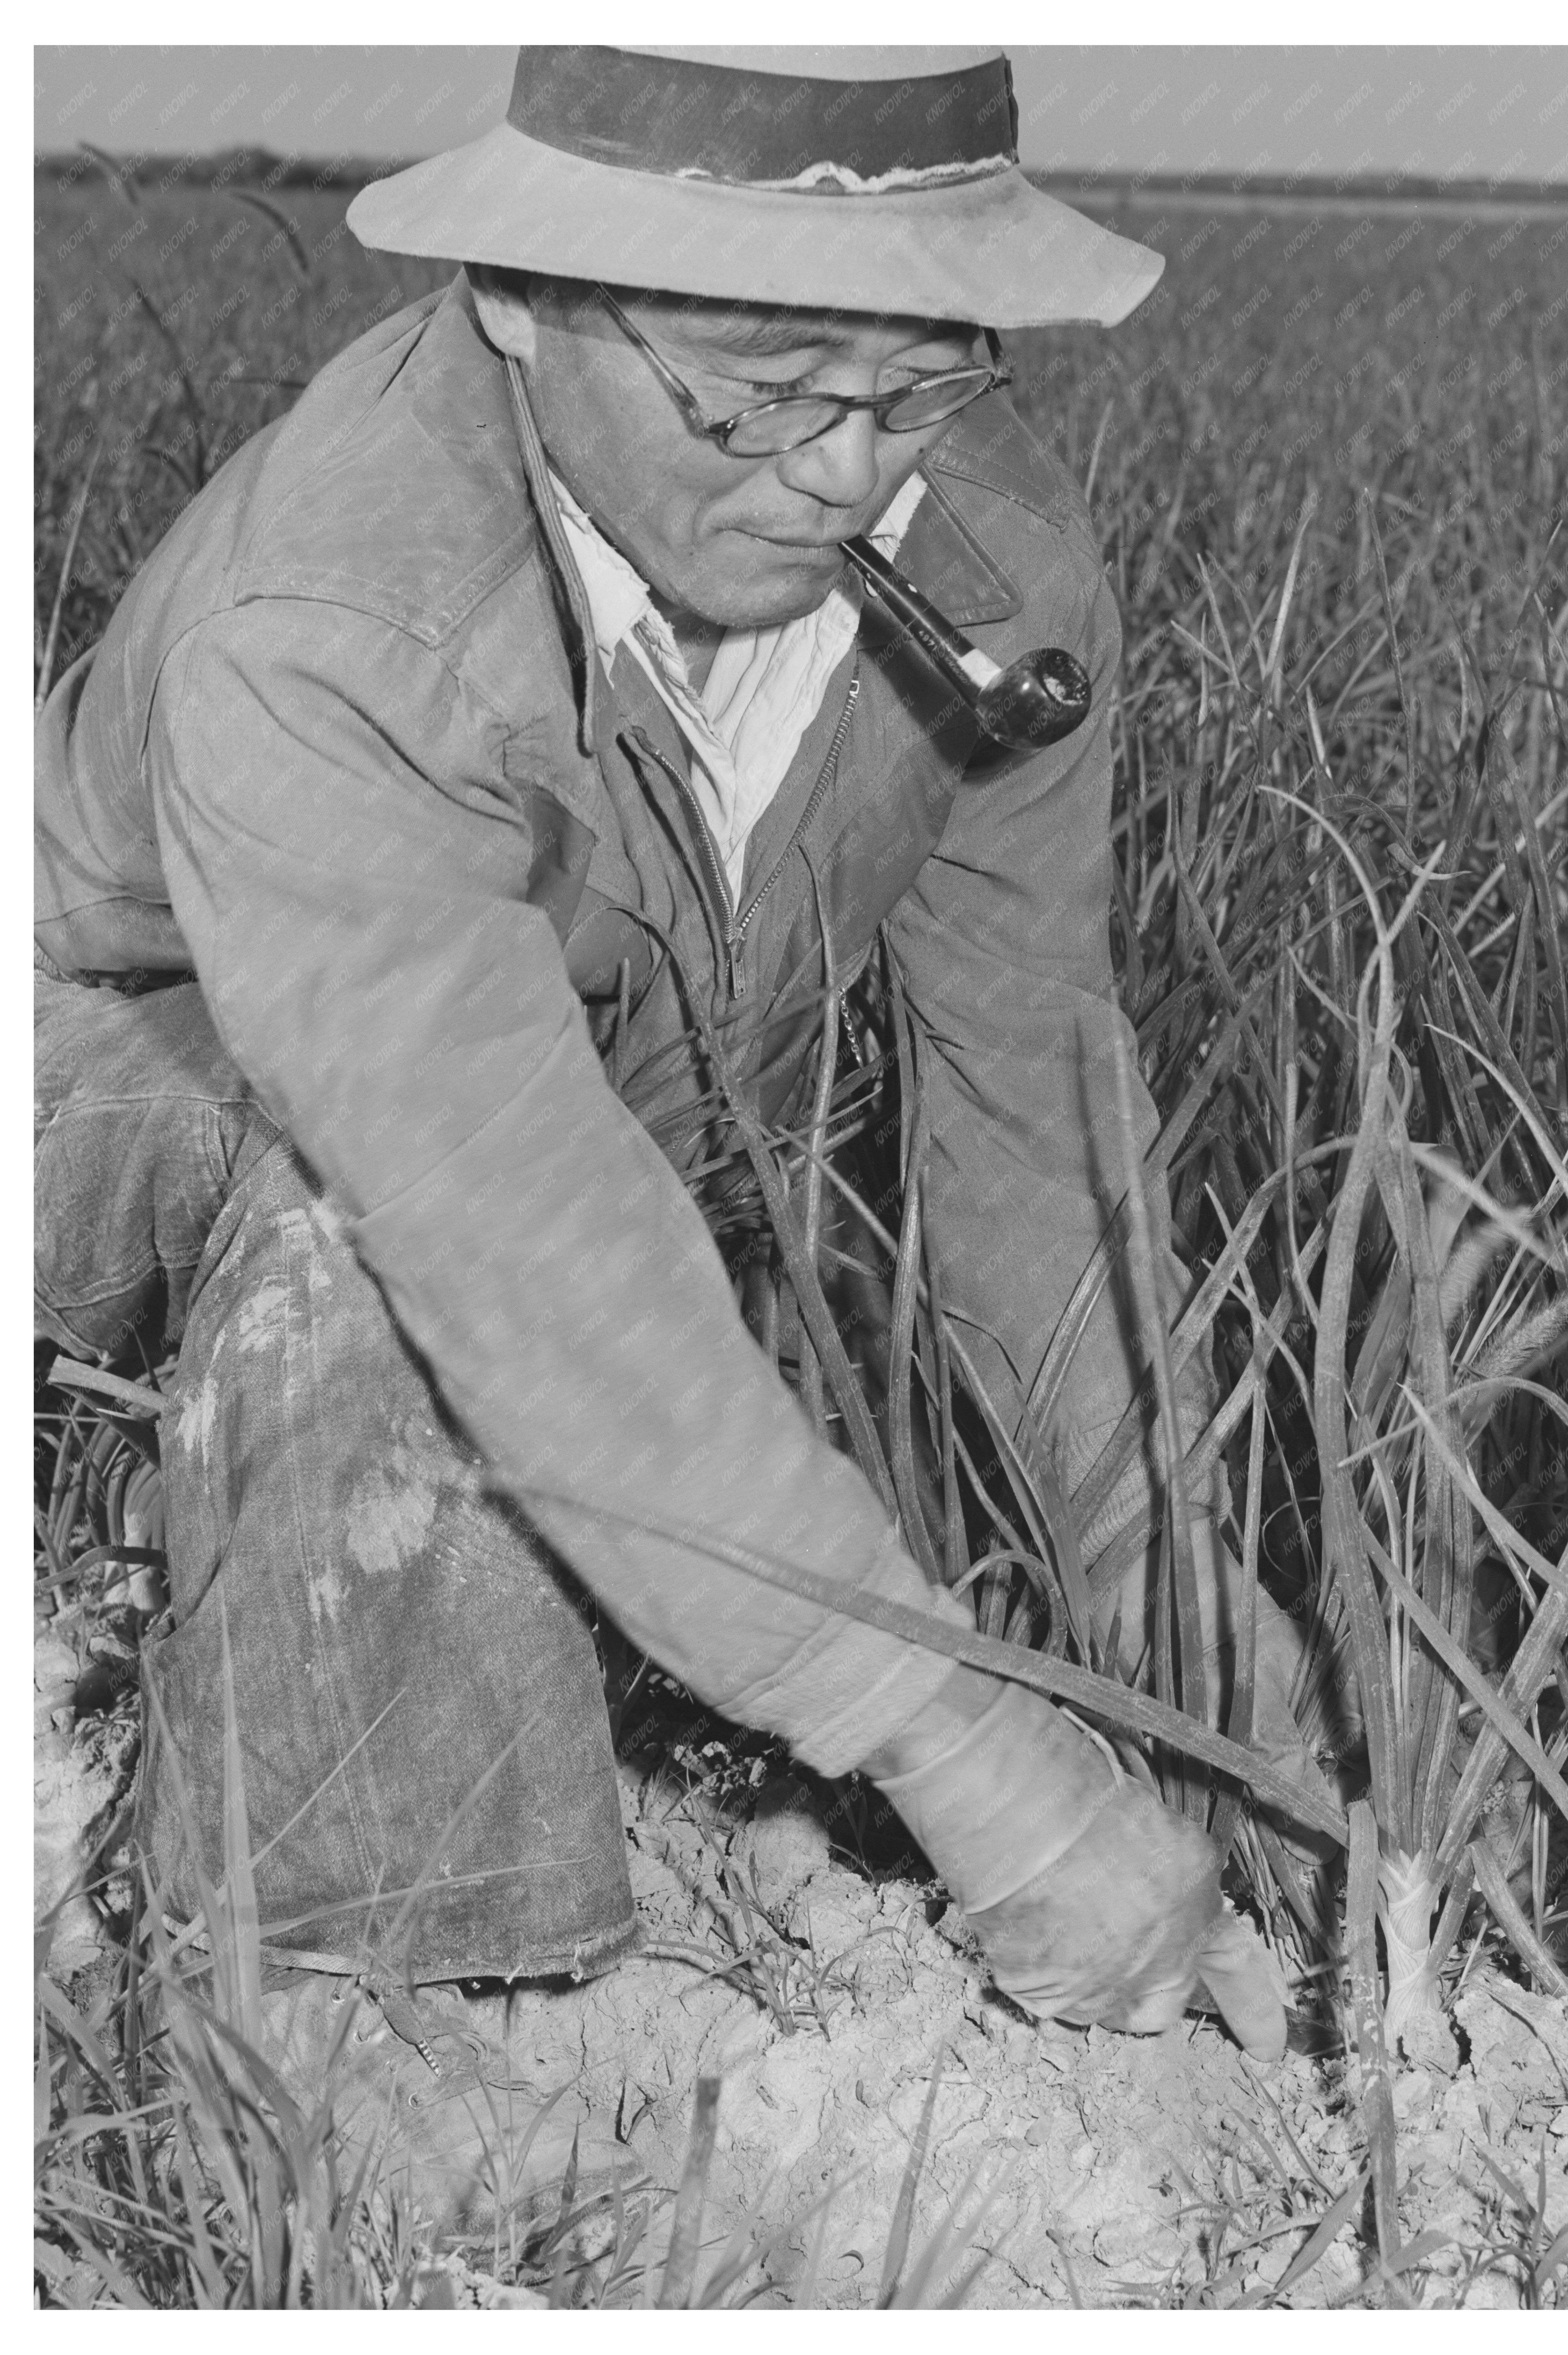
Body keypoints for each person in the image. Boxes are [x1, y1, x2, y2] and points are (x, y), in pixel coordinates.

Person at [35, 47, 1308, 2161]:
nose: (841, 479)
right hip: (109, 1083)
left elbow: (1027, 1136)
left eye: (914, 387)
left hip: (542, 1108)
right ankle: (373, 2045)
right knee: (364, 1251)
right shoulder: (335, 622)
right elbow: (511, 1236)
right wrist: (970, 1756)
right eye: (762, 392)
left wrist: (1217, 1671)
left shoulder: (988, 564)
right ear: (524, 294)